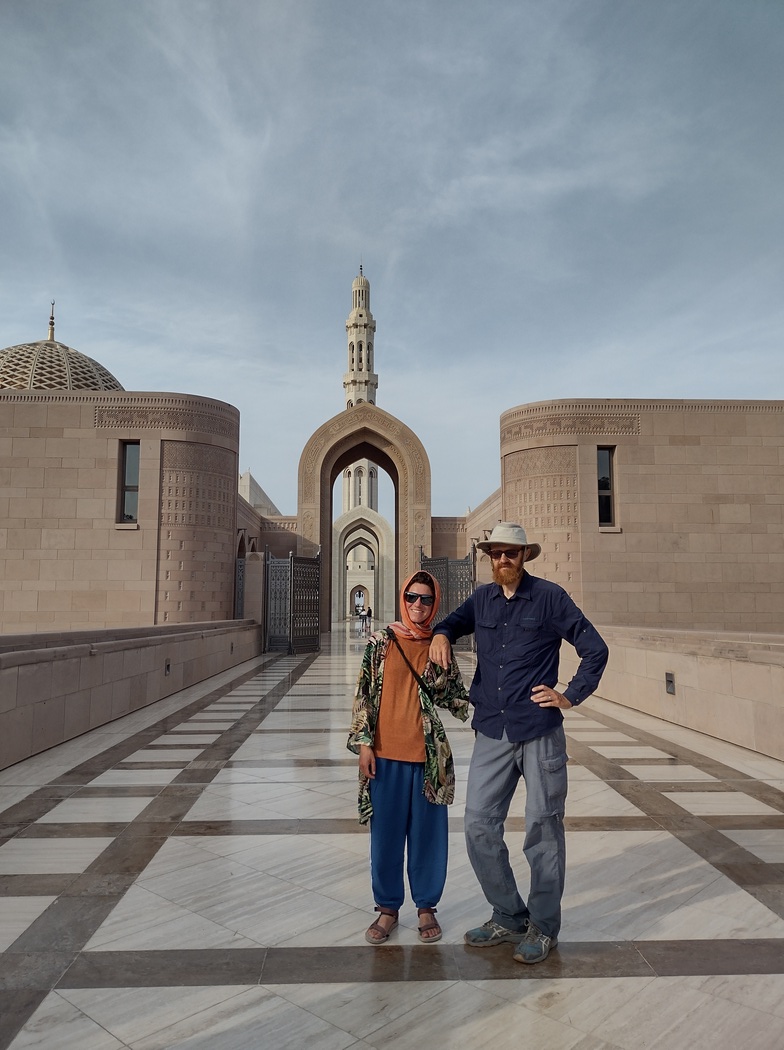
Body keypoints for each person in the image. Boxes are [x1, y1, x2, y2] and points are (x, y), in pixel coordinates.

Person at [429, 522, 608, 964]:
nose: (502, 560)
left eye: (510, 553)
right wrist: (440, 634)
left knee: (542, 830)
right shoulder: (483, 599)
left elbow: (595, 649)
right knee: (477, 825)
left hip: (539, 729)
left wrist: (568, 695)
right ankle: (508, 914)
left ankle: (544, 926)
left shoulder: (549, 598)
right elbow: (453, 622)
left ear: (524, 555)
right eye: (495, 553)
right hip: (493, 727)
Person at [348, 571, 469, 945]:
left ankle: (426, 907)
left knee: (428, 837)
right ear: (404, 598)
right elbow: (364, 694)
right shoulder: (382, 643)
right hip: (385, 756)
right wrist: (364, 744)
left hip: (427, 758)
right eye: (413, 598)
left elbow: (456, 697)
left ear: (436, 604)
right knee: (385, 837)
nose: (419, 605)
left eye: (427, 600)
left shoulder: (438, 644)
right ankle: (387, 908)